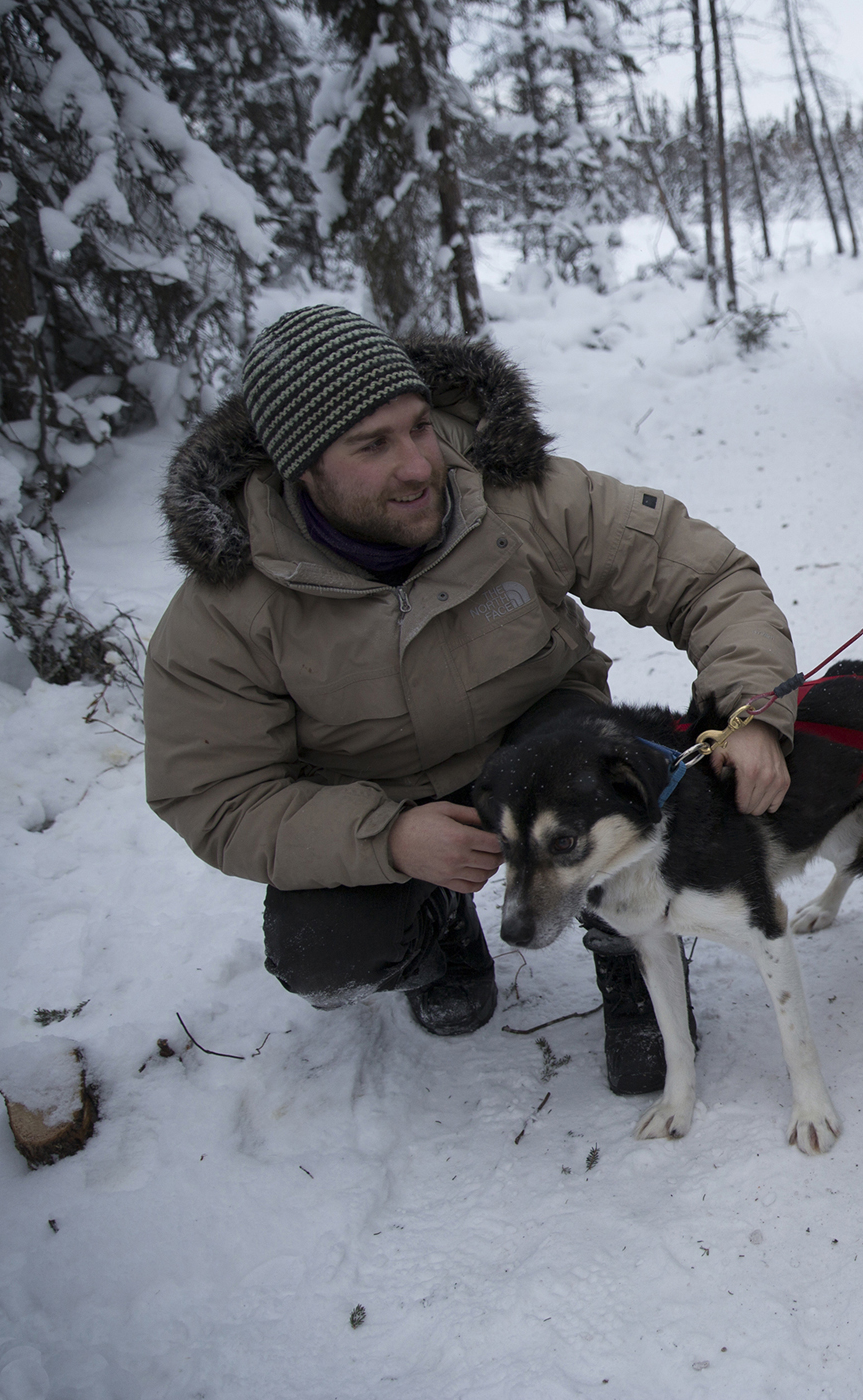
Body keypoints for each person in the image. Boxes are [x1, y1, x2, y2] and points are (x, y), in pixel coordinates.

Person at [144, 305, 796, 1094]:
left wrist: (746, 710)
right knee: (322, 954)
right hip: (377, 797)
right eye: (373, 445)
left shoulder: (511, 494)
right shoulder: (227, 607)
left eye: (419, 426)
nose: (420, 464)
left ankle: (630, 948)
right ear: (302, 469)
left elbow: (704, 576)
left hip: (541, 741)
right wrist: (384, 840)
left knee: (604, 777)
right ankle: (439, 931)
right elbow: (212, 793)